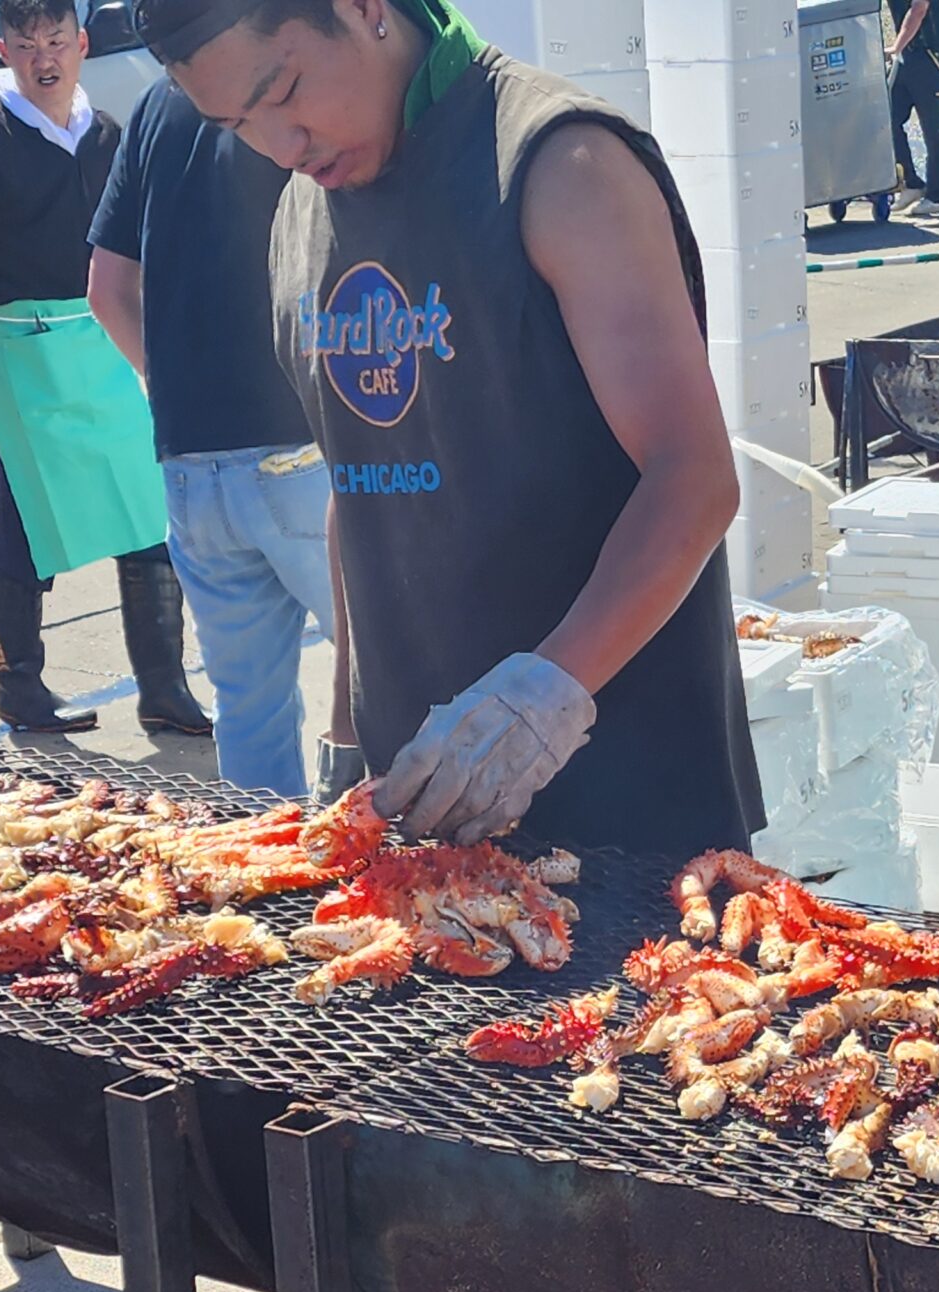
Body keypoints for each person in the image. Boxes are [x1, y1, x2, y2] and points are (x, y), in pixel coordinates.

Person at [134, 0, 760, 850]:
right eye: (236, 124)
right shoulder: (300, 214)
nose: (282, 145)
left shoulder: (559, 163)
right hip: (419, 812)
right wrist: (349, 737)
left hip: (630, 811)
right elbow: (356, 487)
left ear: (362, 9)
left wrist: (542, 696)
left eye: (282, 91)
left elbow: (692, 478)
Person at [0, 0, 210, 739]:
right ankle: (19, 689)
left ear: (81, 44)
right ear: (3, 50)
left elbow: (138, 246)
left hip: (102, 344)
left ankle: (164, 690)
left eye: (56, 41)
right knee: (26, 523)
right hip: (23, 352)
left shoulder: (107, 133)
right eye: (26, 44)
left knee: (148, 516)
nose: (43, 58)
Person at [89, 73, 333, 796]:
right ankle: (402, 885)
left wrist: (166, 386)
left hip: (190, 463)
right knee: (389, 686)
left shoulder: (159, 102)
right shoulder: (294, 79)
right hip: (302, 450)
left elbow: (105, 288)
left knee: (248, 714)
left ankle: (268, 889)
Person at [888, 0, 939, 219]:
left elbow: (919, 9)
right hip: (907, 55)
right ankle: (911, 183)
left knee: (933, 127)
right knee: (888, 119)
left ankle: (938, 196)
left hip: (932, 57)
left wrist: (895, 47)